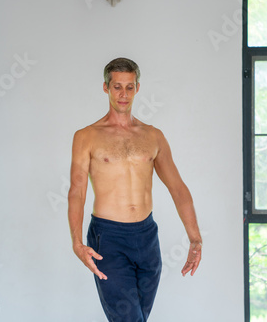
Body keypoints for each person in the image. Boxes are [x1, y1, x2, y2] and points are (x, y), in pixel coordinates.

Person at [68, 57, 202, 322]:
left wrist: (195, 238)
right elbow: (77, 191)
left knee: (138, 316)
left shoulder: (153, 136)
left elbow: (178, 188)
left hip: (147, 236)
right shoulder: (87, 136)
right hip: (108, 237)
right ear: (105, 87)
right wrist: (76, 243)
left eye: (129, 87)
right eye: (117, 87)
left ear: (138, 88)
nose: (123, 94)